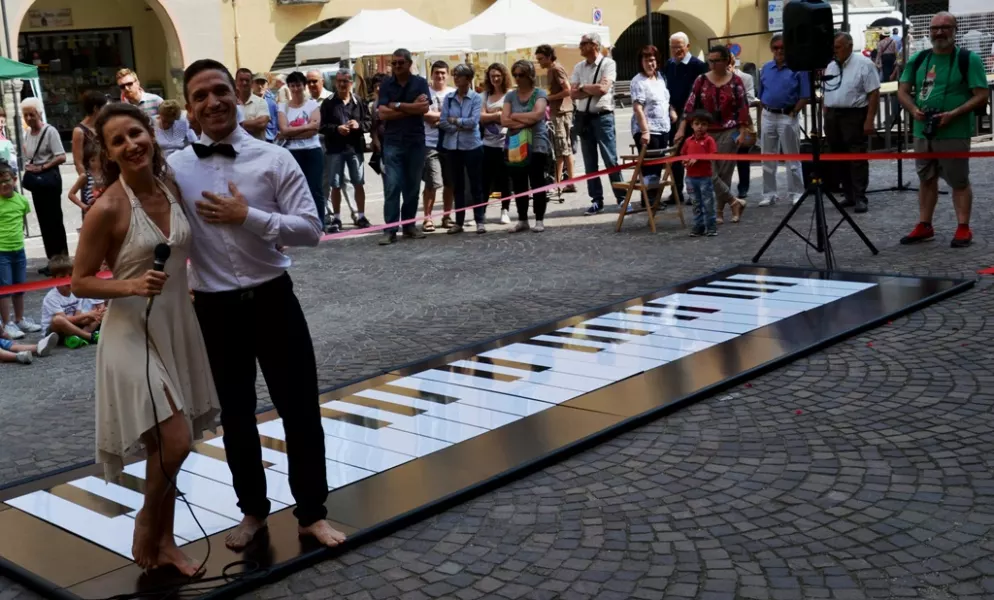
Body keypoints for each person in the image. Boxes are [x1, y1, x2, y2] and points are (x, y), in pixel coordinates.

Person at [169, 58, 344, 549]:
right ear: (191, 108)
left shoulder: (274, 159)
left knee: (300, 410)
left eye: (220, 90)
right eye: (201, 95)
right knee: (237, 416)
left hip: (272, 298)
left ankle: (312, 513)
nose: (213, 101)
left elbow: (311, 230)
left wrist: (250, 217)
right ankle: (252, 512)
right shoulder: (176, 169)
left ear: (237, 94)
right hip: (214, 308)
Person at [71, 101, 221, 575]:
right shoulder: (108, 207)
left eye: (136, 134)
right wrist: (130, 285)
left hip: (175, 325)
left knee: (165, 449)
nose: (131, 145)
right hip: (128, 333)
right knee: (175, 442)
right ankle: (146, 520)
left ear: (150, 135)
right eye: (119, 141)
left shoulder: (170, 186)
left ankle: (167, 544)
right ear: (109, 154)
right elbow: (79, 282)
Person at [897, 11, 990, 248]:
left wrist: (954, 114)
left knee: (958, 181)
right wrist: (913, 109)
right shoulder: (918, 59)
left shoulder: (968, 59)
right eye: (935, 28)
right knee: (926, 179)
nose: (939, 32)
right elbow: (903, 91)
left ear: (955, 30)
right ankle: (925, 225)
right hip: (923, 131)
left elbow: (981, 95)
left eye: (945, 27)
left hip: (954, 131)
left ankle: (963, 227)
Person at [674, 45, 752, 224]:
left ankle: (718, 211)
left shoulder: (735, 82)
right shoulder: (701, 80)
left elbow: (742, 107)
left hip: (729, 131)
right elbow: (690, 105)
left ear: (726, 61)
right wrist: (681, 127)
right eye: (710, 60)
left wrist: (742, 131)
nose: (713, 63)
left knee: (725, 173)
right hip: (706, 132)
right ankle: (734, 202)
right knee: (709, 172)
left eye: (717, 60)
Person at [377, 48, 431, 245]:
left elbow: (424, 108)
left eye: (401, 62)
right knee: (392, 186)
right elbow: (382, 113)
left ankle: (409, 226)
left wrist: (397, 105)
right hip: (393, 142)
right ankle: (390, 229)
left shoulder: (420, 83)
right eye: (394, 63)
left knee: (412, 187)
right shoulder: (386, 84)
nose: (397, 66)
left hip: (415, 142)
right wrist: (411, 107)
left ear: (409, 63)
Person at [823, 32, 880, 214]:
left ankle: (860, 196)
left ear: (849, 46)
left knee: (856, 157)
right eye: (833, 47)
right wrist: (825, 114)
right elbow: (826, 93)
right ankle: (848, 194)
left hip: (853, 115)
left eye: (838, 47)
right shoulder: (831, 66)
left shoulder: (864, 64)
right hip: (833, 115)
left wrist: (869, 119)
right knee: (838, 155)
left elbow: (873, 93)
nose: (835, 51)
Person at [571, 33, 624, 215]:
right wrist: (587, 88)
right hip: (585, 117)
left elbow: (603, 89)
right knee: (589, 161)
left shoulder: (608, 64)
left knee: (610, 159)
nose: (580, 46)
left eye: (583, 43)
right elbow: (573, 93)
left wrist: (582, 87)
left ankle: (621, 198)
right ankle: (596, 200)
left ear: (594, 45)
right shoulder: (579, 66)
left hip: (603, 117)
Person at [758, 34, 809, 207]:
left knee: (792, 158)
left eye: (782, 47)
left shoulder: (798, 68)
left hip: (788, 115)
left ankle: (796, 192)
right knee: (767, 157)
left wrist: (794, 111)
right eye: (776, 47)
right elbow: (761, 94)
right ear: (771, 49)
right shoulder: (765, 68)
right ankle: (769, 194)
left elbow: (805, 95)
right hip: (768, 115)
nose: (779, 50)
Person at [502, 60, 551, 233]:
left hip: (537, 144)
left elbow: (538, 115)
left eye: (520, 74)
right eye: (514, 74)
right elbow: (504, 119)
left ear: (530, 75)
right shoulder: (510, 96)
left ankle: (539, 219)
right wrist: (525, 120)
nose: (517, 78)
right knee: (519, 182)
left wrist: (515, 116)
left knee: (537, 181)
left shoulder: (540, 93)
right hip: (516, 144)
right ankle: (522, 219)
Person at [320, 68, 372, 231]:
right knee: (335, 184)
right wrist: (337, 129)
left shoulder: (359, 101)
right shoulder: (328, 102)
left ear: (351, 83)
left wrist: (358, 126)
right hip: (335, 149)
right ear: (336, 83)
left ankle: (361, 216)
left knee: (358, 182)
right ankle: (336, 218)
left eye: (346, 81)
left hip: (354, 148)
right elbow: (321, 126)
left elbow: (369, 123)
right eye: (340, 81)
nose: (342, 84)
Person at [21, 97, 68, 270]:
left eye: (32, 114)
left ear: (39, 113)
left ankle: (62, 261)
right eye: (26, 115)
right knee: (44, 222)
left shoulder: (50, 131)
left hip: (49, 180)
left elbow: (61, 156)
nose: (29, 118)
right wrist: (30, 165)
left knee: (55, 221)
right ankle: (52, 261)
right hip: (37, 183)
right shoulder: (28, 133)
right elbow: (30, 154)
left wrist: (43, 167)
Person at [439, 63, 486, 234]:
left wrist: (455, 121)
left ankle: (480, 220)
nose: (456, 78)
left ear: (468, 78)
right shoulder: (449, 98)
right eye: (455, 75)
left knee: (475, 185)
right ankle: (458, 221)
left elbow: (473, 122)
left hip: (472, 146)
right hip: (452, 146)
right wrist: (458, 124)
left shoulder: (476, 98)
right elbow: (443, 121)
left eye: (459, 75)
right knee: (456, 184)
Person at [664, 32, 709, 205]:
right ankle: (676, 192)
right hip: (674, 117)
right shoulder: (669, 65)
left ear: (687, 46)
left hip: (693, 118)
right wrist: (670, 109)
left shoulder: (698, 66)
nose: (676, 50)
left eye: (679, 47)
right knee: (675, 155)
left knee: (693, 154)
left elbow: (700, 94)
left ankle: (694, 192)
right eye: (673, 47)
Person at [0, 162, 43, 339]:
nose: (4, 184)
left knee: (20, 287)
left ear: (15, 180)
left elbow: (22, 220)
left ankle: (19, 319)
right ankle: (6, 323)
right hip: (1, 252)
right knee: (4, 289)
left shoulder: (22, 201)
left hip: (19, 250)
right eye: (0, 181)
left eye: (7, 180)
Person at [630, 45, 676, 206]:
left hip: (663, 127)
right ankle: (649, 201)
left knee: (658, 166)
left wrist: (671, 111)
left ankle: (654, 199)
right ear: (641, 62)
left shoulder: (660, 77)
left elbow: (664, 99)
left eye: (653, 60)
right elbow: (638, 108)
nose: (651, 63)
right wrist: (644, 131)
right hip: (649, 129)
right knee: (650, 167)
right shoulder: (638, 81)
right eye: (647, 60)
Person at [278, 71, 325, 226]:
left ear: (303, 86)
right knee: (295, 189)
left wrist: (291, 133)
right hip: (292, 152)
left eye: (298, 85)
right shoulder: (283, 107)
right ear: (289, 87)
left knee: (315, 187)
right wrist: (307, 126)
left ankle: (319, 223)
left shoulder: (312, 104)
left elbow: (314, 129)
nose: (296, 89)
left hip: (312, 150)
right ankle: (299, 223)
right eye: (292, 86)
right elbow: (283, 130)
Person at [535, 45, 577, 196]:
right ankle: (570, 182)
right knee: (565, 148)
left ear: (548, 57)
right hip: (562, 111)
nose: (539, 62)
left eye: (540, 59)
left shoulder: (555, 69)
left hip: (561, 112)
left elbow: (567, 90)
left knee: (560, 150)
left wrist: (548, 98)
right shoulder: (553, 69)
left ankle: (559, 184)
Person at [41, 255, 104, 347]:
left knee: (102, 313)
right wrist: (87, 315)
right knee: (58, 320)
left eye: (70, 275)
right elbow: (64, 319)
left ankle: (77, 337)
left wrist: (94, 315)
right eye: (63, 276)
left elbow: (78, 317)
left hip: (73, 326)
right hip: (55, 332)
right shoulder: (51, 297)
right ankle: (88, 336)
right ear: (54, 279)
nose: (68, 279)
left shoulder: (75, 292)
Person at [422, 61, 455, 232]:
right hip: (430, 143)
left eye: (443, 73)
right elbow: (425, 114)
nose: (440, 76)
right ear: (431, 74)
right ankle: (427, 218)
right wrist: (445, 117)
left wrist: (439, 119)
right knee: (433, 182)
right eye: (437, 73)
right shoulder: (425, 93)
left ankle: (447, 216)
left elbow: (457, 116)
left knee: (450, 183)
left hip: (450, 143)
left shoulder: (453, 93)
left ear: (447, 75)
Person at [479, 62, 513, 225]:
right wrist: (499, 115)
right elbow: (481, 117)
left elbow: (510, 117)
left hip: (506, 143)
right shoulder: (484, 95)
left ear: (504, 76)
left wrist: (492, 114)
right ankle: (482, 211)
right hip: (487, 144)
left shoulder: (510, 95)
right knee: (485, 180)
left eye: (498, 75)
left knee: (504, 179)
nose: (495, 79)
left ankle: (504, 210)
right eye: (492, 76)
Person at [681, 110, 719, 237]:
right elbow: (683, 154)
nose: (700, 127)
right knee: (696, 204)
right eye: (697, 124)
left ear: (707, 126)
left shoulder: (709, 140)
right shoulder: (688, 141)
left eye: (703, 124)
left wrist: (698, 158)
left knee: (708, 203)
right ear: (692, 125)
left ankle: (711, 226)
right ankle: (699, 226)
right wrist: (685, 160)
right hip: (690, 178)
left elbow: (713, 155)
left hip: (704, 178)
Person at [72, 91, 108, 179]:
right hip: (91, 179)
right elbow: (78, 162)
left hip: (108, 176)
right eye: (104, 107)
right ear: (96, 108)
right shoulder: (79, 131)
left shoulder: (103, 126)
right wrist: (85, 180)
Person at [67, 141, 106, 221]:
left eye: (99, 159)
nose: (97, 163)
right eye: (93, 160)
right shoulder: (85, 176)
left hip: (107, 211)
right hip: (93, 214)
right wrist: (84, 206)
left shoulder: (107, 174)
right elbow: (71, 194)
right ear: (88, 161)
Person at [235, 68, 271, 141]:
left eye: (247, 80)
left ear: (251, 83)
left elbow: (261, 124)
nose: (244, 83)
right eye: (241, 80)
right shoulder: (230, 102)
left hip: (257, 149)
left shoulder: (261, 102)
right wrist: (251, 124)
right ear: (235, 82)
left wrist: (234, 125)